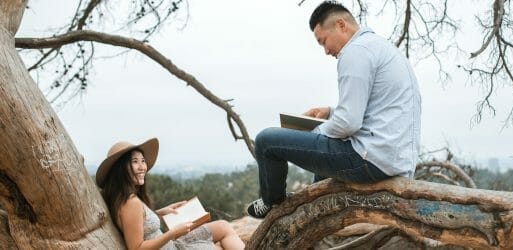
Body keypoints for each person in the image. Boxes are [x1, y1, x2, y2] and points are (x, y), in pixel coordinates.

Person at [246, 0, 421, 219]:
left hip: (370, 159)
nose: (326, 50)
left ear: (341, 25)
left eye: (323, 41)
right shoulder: (380, 47)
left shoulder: (355, 52)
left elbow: (348, 123)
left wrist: (312, 133)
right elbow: (376, 107)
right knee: (322, 166)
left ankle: (273, 203)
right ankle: (309, 218)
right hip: (395, 160)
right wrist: (330, 111)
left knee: (266, 140)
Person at [95, 138, 245, 250]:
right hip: (170, 245)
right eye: (135, 162)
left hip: (170, 245)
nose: (142, 167)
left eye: (143, 161)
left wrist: (161, 212)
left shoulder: (122, 199)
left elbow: (135, 223)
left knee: (223, 227)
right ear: (121, 168)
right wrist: (173, 233)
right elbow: (137, 248)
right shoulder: (130, 202)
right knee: (221, 242)